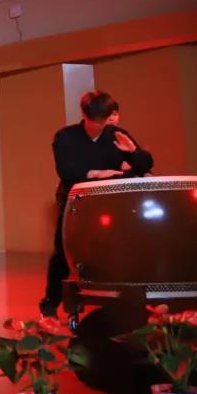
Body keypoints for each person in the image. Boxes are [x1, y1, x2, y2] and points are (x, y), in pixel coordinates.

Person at [40, 90, 153, 317]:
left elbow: (144, 166)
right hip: (76, 198)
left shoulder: (117, 135)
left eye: (105, 119)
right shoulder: (65, 137)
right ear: (84, 115)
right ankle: (52, 301)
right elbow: (68, 172)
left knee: (117, 249)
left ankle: (119, 302)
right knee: (65, 252)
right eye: (96, 121)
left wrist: (133, 151)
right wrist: (99, 173)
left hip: (110, 200)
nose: (101, 125)